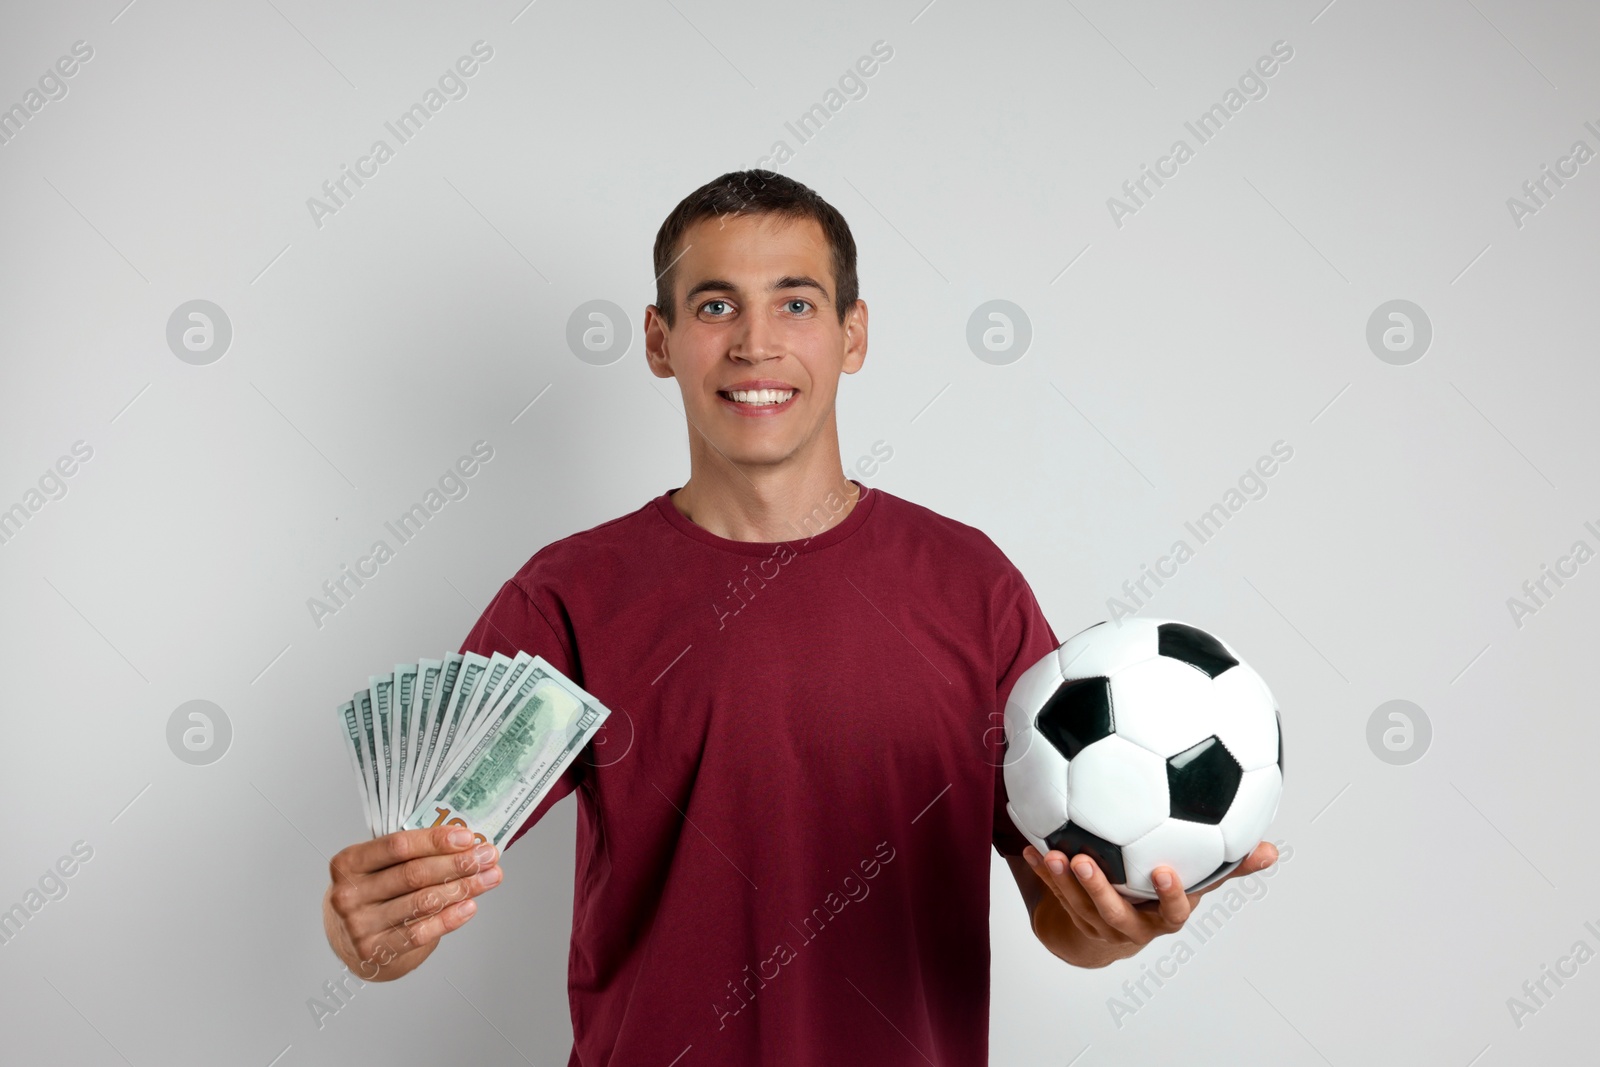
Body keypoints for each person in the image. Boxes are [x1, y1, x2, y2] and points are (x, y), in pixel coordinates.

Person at [321, 170, 1278, 1065]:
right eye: (713, 305)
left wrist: (1117, 925)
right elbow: (415, 870)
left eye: (795, 302)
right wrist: (365, 929)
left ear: (852, 334)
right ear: (659, 341)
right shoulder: (570, 595)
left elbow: (1057, 905)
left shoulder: (968, 585)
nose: (754, 342)